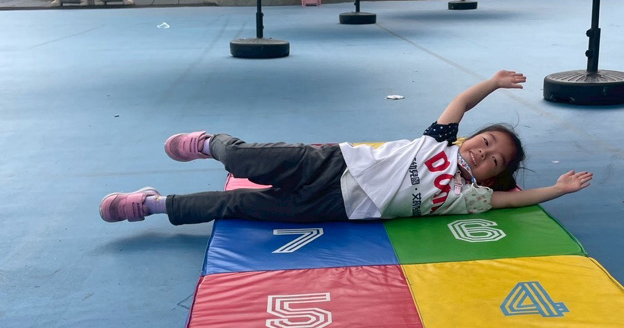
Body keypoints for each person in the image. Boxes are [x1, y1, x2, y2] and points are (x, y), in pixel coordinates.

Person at [99, 70, 592, 226]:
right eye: (486, 142)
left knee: (237, 205)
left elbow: (515, 200)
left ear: (492, 177)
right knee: (245, 159)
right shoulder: (441, 142)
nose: (484, 154)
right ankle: (210, 144)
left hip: (336, 208)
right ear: (468, 138)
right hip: (330, 162)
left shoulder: (471, 198)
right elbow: (461, 102)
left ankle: (152, 204)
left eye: (494, 160)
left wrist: (558, 189)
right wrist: (493, 84)